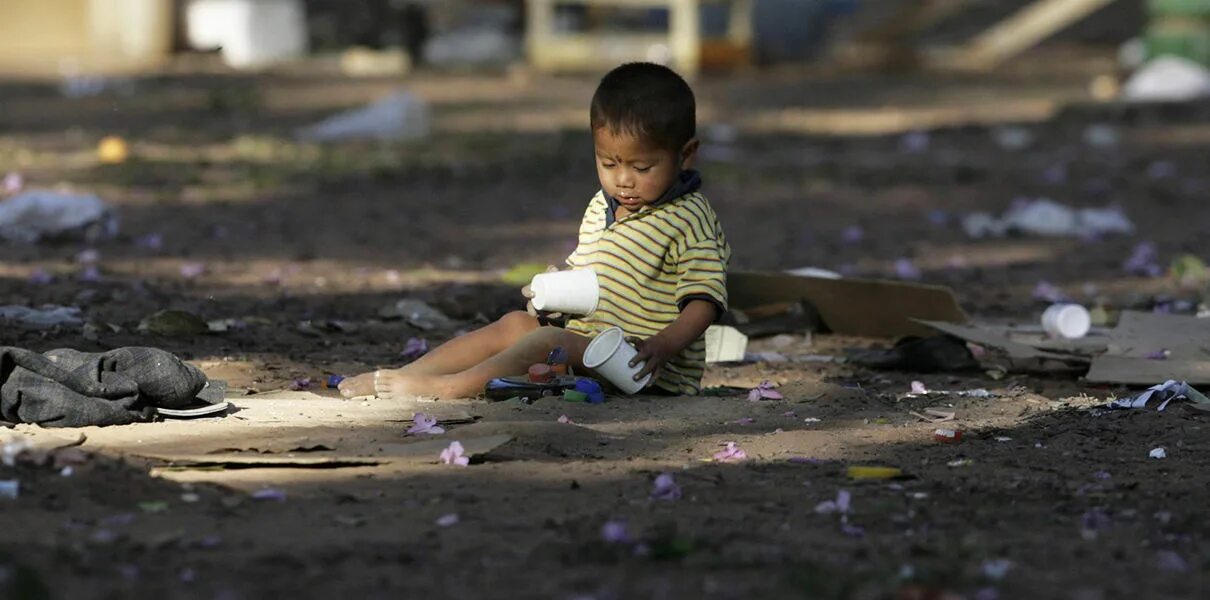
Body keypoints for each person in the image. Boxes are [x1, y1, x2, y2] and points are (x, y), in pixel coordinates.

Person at [339, 62, 730, 400]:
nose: (623, 180)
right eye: (609, 163)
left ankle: (451, 389)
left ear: (686, 154)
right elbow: (592, 281)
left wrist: (662, 346)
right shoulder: (601, 206)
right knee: (516, 324)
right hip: (588, 344)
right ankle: (412, 374)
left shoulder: (689, 218)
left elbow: (704, 300)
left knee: (548, 342)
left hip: (642, 367)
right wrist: (555, 295)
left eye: (642, 168)